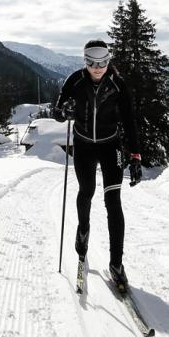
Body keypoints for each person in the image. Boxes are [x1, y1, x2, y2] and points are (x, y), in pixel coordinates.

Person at [54, 40, 142, 294]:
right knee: (87, 191)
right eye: (91, 62)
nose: (97, 67)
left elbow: (129, 120)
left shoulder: (117, 84)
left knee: (113, 201)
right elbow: (59, 109)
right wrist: (65, 111)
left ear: (109, 60)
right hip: (83, 145)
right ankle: (83, 233)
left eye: (102, 61)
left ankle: (116, 264)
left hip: (110, 145)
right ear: (85, 61)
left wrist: (135, 156)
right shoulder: (75, 80)